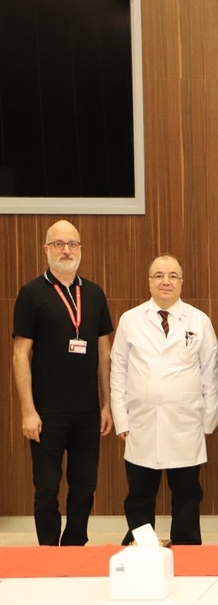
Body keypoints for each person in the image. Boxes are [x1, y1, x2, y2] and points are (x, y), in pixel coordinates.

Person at [12, 220, 114, 546]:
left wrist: (107, 403)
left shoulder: (95, 294)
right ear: (46, 249)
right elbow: (19, 355)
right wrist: (28, 410)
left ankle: (73, 547)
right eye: (58, 244)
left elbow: (104, 353)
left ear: (81, 249)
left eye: (72, 244)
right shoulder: (31, 294)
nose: (66, 250)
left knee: (85, 485)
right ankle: (48, 552)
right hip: (46, 412)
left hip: (87, 413)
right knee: (47, 486)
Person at [109, 254, 218, 545]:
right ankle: (140, 550)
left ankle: (187, 551)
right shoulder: (130, 320)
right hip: (141, 423)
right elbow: (118, 371)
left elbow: (212, 372)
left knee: (186, 494)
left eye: (172, 276)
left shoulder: (199, 320)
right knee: (139, 496)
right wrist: (121, 418)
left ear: (182, 282)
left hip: (186, 423)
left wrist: (208, 421)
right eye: (159, 275)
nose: (166, 281)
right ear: (149, 282)